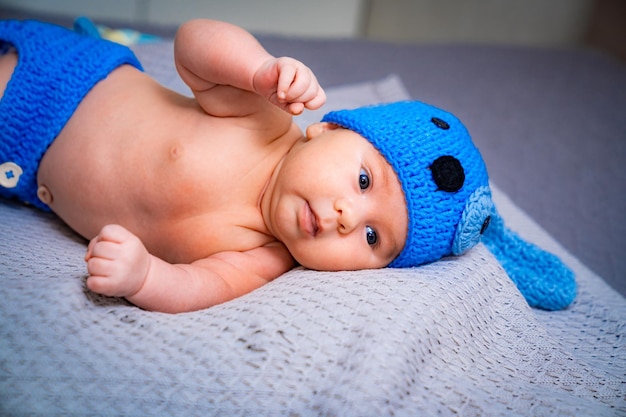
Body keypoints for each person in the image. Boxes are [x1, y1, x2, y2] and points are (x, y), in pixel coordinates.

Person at [0, 18, 497, 313]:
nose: (349, 217)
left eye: (373, 238)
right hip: (59, 81)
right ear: (326, 129)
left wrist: (144, 278)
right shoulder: (261, 120)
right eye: (364, 180)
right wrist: (257, 70)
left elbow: (199, 287)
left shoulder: (264, 259)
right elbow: (192, 46)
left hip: (21, 167)